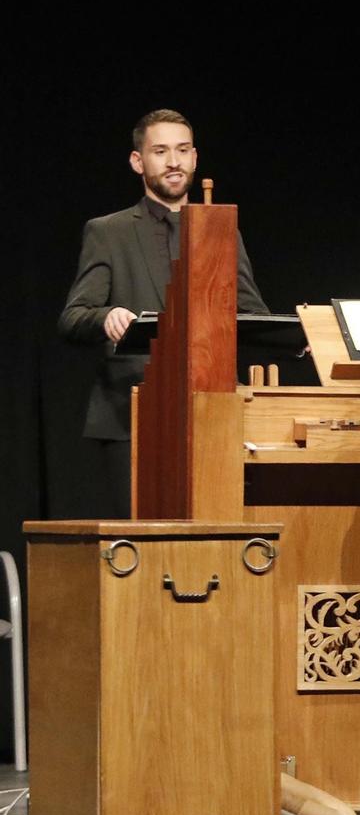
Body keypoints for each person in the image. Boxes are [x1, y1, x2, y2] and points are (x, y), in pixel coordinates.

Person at [57, 109, 268, 516]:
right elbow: (73, 316)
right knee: (142, 545)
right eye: (160, 151)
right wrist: (106, 317)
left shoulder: (222, 228)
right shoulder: (108, 231)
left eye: (182, 150)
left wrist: (299, 340)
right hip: (132, 416)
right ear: (139, 161)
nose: (173, 161)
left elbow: (250, 314)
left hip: (211, 415)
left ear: (195, 158)